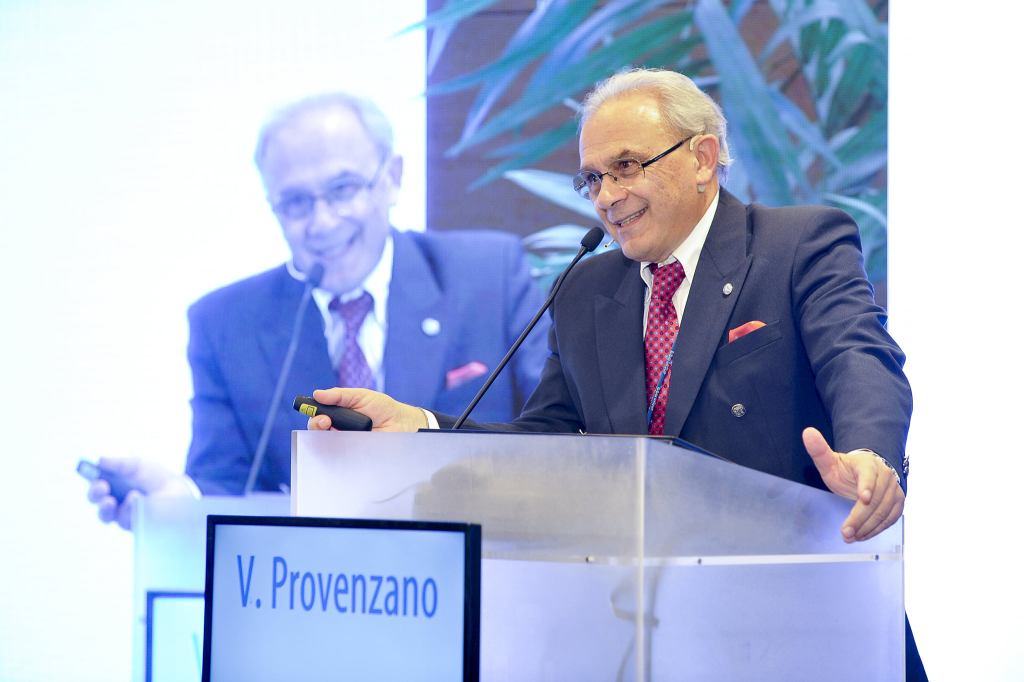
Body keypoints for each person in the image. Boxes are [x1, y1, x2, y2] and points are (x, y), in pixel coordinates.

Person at [307, 69, 926, 678]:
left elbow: (858, 356)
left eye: (626, 166)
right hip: (652, 640)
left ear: (703, 158)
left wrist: (869, 454)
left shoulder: (795, 245)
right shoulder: (585, 290)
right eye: (593, 178)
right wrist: (420, 428)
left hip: (804, 625)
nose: (605, 197)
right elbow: (546, 443)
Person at [88, 92, 549, 526]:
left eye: (342, 189)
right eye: (296, 203)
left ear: (392, 178)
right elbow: (226, 485)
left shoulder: (487, 277)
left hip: (479, 560)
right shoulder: (225, 323)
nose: (322, 222)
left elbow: (551, 438)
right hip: (314, 576)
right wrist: (175, 505)